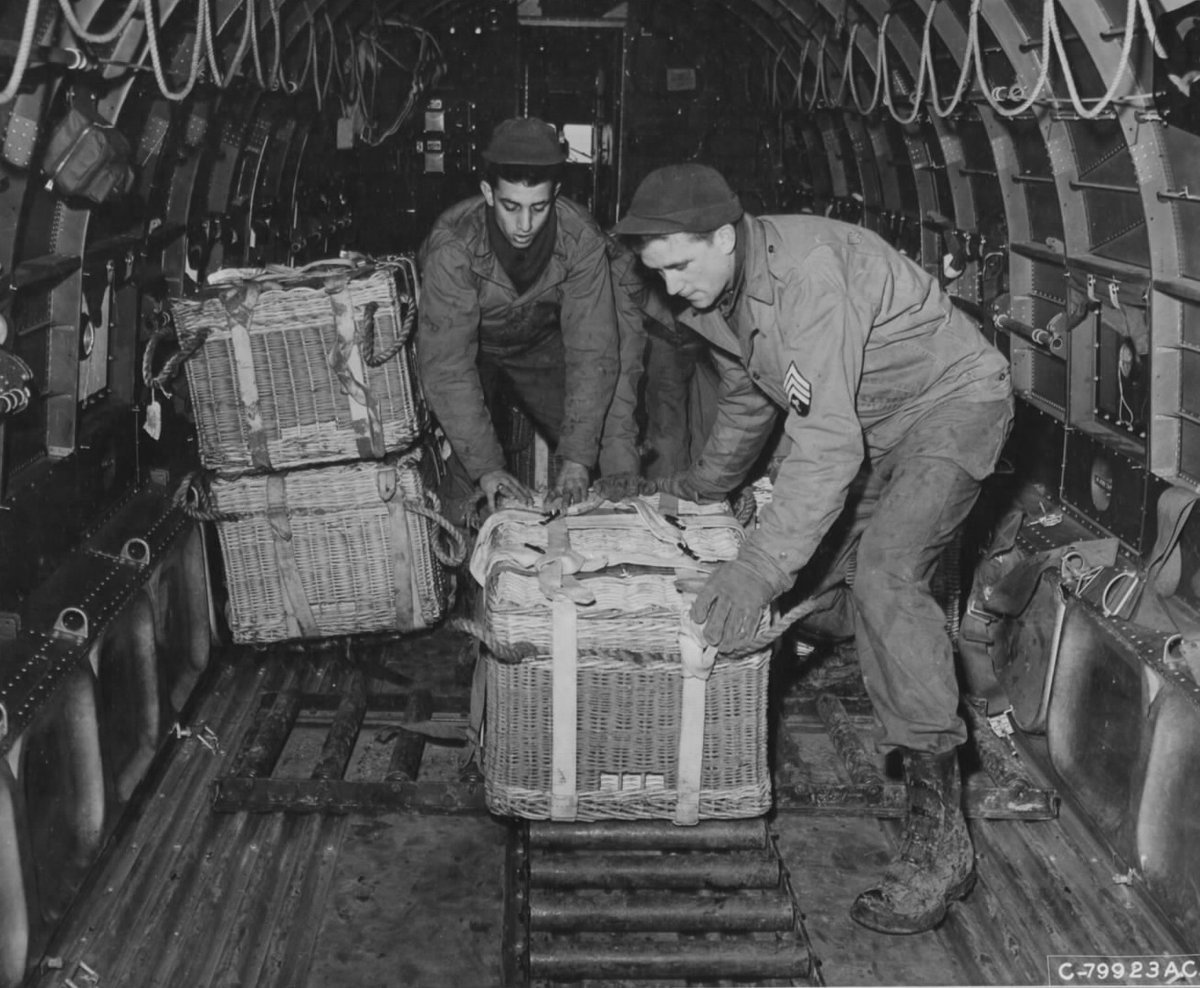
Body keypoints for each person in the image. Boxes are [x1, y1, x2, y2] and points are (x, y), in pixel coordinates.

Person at [612, 163, 1013, 935]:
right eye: (656, 273)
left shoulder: (809, 280)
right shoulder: (718, 293)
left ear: (725, 238)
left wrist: (757, 565)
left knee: (888, 580)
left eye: (680, 265)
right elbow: (749, 396)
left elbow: (824, 444)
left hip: (951, 408)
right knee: (815, 593)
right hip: (871, 428)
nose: (669, 288)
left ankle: (940, 841)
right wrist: (703, 490)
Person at [415, 117, 618, 517]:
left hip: (540, 347)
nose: (524, 226)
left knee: (598, 453)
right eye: (511, 207)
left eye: (539, 207)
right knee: (465, 472)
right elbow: (447, 365)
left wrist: (578, 459)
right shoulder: (453, 247)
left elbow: (593, 350)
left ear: (556, 195)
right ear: (488, 193)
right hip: (472, 352)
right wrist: (487, 468)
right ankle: (461, 559)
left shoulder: (581, 241)